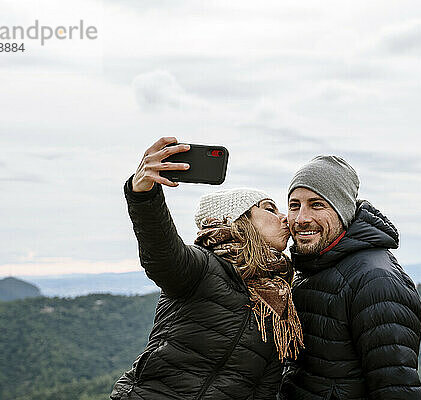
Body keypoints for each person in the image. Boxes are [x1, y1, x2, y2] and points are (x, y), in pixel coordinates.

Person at [110, 137, 304, 400]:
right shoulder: (203, 266)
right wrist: (143, 194)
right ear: (237, 220)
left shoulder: (279, 294)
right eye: (269, 209)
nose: (284, 218)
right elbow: (161, 252)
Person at [279, 155, 421, 400]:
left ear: (343, 211)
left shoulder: (376, 282)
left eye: (316, 205)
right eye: (294, 205)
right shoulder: (313, 266)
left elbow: (397, 389)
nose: (301, 218)